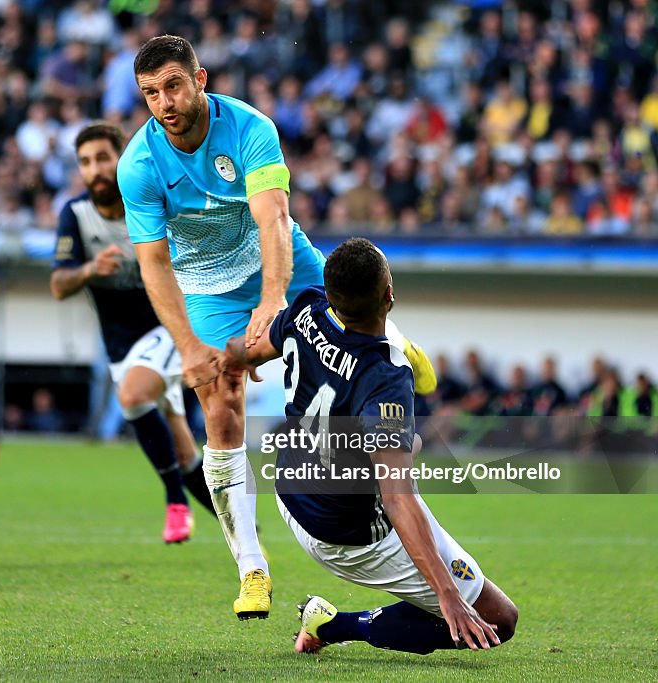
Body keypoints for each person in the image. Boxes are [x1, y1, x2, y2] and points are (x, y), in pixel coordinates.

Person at [226, 237, 518, 656]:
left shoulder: (307, 306)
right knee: (498, 619)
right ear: (389, 294)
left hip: (292, 491)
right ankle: (332, 624)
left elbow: (252, 350)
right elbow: (397, 496)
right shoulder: (385, 376)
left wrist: (227, 355)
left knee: (400, 447)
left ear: (330, 294)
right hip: (349, 533)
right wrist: (446, 594)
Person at [117, 35, 327, 618]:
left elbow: (273, 218)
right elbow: (154, 262)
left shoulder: (251, 128)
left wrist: (273, 299)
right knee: (219, 401)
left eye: (173, 86)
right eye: (150, 93)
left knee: (355, 326)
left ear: (200, 79)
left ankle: (395, 346)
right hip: (206, 288)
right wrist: (186, 345)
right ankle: (252, 568)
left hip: (279, 263)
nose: (164, 102)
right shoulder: (136, 164)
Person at [51, 121, 216, 544]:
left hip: (170, 328)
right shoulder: (75, 215)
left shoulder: (146, 201)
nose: (96, 170)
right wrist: (90, 269)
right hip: (120, 347)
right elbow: (58, 284)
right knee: (181, 449)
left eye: (103, 158)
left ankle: (175, 502)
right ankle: (239, 525)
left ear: (121, 159)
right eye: (86, 162)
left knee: (132, 397)